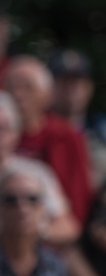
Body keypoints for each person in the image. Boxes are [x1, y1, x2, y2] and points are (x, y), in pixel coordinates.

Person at [5, 56, 91, 224]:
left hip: (58, 231)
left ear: (46, 94)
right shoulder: (3, 138)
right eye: (11, 88)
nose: (18, 95)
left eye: (27, 87)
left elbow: (80, 194)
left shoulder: (65, 135)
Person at [48, 49, 106, 186]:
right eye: (64, 82)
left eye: (77, 82)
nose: (71, 89)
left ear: (90, 87)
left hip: (103, 203)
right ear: (50, 86)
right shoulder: (39, 129)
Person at [0, 92, 79, 245]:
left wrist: (36, 231)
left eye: (4, 128)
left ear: (17, 134)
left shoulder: (35, 172)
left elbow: (68, 227)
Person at [0, 166, 70, 276]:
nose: (22, 208)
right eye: (10, 200)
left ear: (43, 208)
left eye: (32, 199)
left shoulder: (55, 265)